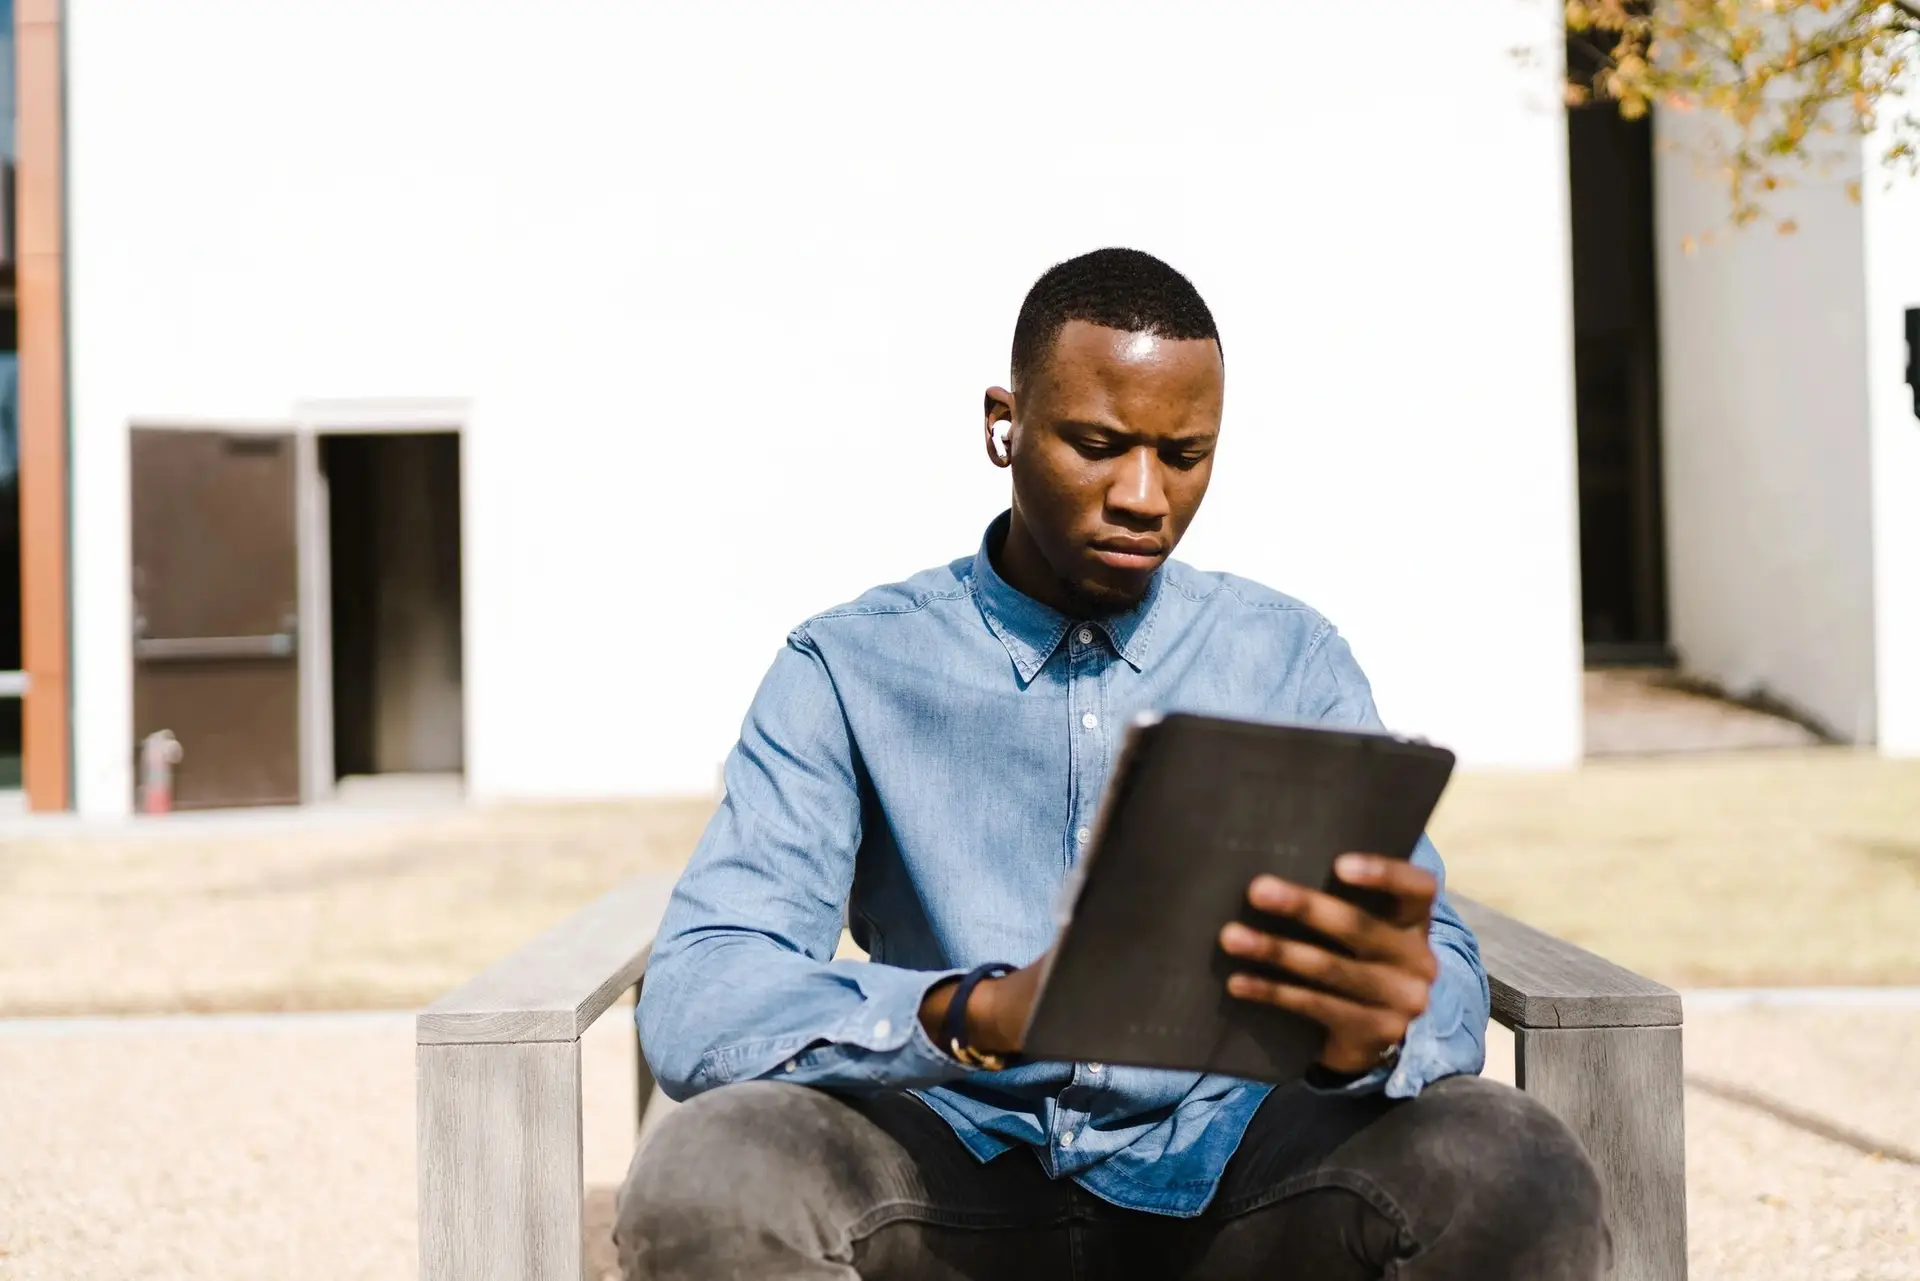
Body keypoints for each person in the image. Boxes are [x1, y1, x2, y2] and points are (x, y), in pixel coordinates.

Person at [618, 248, 1609, 1280]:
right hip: (944, 1155)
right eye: (1096, 444)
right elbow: (703, 993)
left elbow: (1434, 964)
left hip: (1232, 1174)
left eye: (1184, 455)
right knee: (710, 1176)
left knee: (1512, 1163)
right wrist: (975, 1012)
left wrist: (1370, 1036)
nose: (1144, 495)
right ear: (1004, 424)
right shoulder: (847, 668)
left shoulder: (1290, 662)